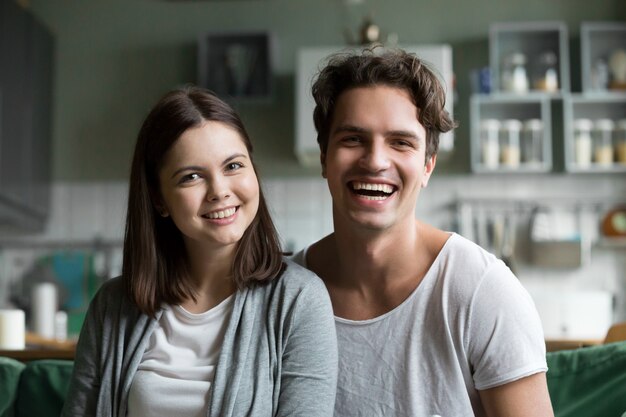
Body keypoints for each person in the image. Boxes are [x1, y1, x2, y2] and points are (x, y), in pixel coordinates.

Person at [292, 48, 554, 416]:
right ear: (324, 157)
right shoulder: (286, 292)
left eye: (400, 142)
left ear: (428, 165)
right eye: (353, 138)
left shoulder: (481, 291)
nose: (375, 161)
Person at [61, 86, 337, 417]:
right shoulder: (112, 305)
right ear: (159, 198)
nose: (220, 191)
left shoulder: (300, 299)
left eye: (234, 166)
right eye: (191, 176)